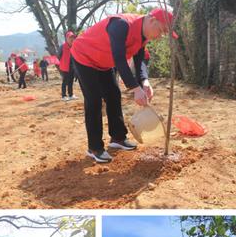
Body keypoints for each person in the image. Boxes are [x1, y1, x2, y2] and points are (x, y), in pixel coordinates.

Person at [70, 8, 177, 163]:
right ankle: (95, 148)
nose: (160, 36)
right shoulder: (121, 24)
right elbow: (119, 59)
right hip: (84, 56)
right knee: (94, 100)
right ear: (152, 20)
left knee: (114, 94)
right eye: (161, 31)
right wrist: (135, 88)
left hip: (103, 62)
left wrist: (144, 82)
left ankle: (118, 137)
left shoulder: (143, 36)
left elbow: (139, 62)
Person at [58, 31, 77, 101]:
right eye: (70, 37)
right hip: (64, 67)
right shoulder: (62, 47)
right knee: (65, 82)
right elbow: (59, 56)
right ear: (66, 38)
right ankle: (63, 96)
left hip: (72, 67)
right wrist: (63, 63)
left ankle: (71, 94)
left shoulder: (74, 46)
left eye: (73, 37)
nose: (72, 39)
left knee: (71, 81)